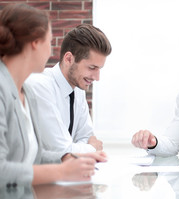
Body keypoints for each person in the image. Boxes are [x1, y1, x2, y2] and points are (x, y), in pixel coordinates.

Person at [0, 3, 106, 186]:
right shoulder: (10, 88)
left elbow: (34, 155)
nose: (51, 51)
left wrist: (67, 157)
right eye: (49, 42)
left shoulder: (26, 93)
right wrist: (62, 169)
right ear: (35, 44)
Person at [26, 23, 112, 153]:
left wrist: (81, 148)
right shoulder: (41, 86)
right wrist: (91, 148)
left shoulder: (78, 89)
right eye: (92, 68)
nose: (97, 77)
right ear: (69, 59)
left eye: (99, 69)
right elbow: (61, 149)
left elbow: (87, 137)